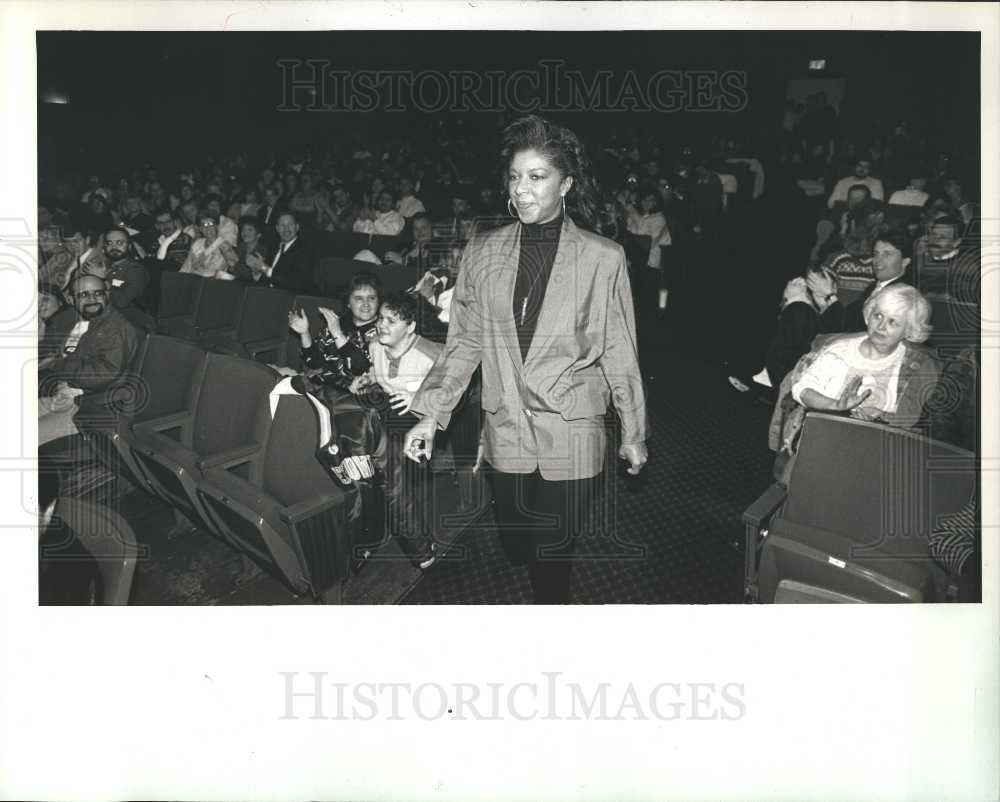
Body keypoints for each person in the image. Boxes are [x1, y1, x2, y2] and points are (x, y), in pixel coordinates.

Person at [404, 114, 648, 604]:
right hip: (507, 422)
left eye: (537, 177)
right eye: (515, 177)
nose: (522, 189)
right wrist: (430, 415)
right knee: (517, 537)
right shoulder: (482, 252)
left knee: (551, 550)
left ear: (567, 184)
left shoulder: (604, 258)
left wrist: (634, 432)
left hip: (573, 427)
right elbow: (464, 345)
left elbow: (620, 351)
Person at [349, 293, 443, 569]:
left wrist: (418, 395)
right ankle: (367, 534)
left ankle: (420, 546)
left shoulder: (432, 354)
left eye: (392, 320)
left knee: (389, 475)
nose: (381, 325)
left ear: (411, 327)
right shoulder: (375, 345)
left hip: (420, 419)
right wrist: (366, 378)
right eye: (381, 318)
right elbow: (376, 373)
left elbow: (456, 387)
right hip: (386, 410)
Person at [38, 273, 141, 445]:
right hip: (66, 395)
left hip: (92, 407)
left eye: (97, 293)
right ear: (71, 299)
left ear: (107, 294)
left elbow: (101, 375)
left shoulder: (115, 328)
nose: (92, 299)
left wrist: (57, 364)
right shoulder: (83, 320)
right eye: (83, 295)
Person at [179, 212, 240, 278]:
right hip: (193, 280)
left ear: (217, 226)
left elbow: (235, 267)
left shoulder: (223, 244)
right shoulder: (197, 244)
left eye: (211, 224)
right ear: (200, 229)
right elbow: (186, 267)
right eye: (204, 225)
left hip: (212, 282)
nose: (208, 228)